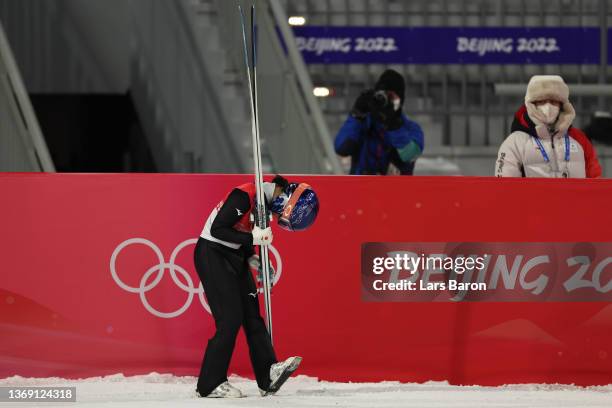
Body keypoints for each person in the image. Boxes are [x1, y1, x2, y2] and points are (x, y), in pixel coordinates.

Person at [194, 175, 319, 398]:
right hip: (213, 253)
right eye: (283, 213)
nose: (279, 216)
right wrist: (253, 237)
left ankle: (267, 374)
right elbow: (218, 229)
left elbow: (244, 234)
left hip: (236, 255)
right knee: (230, 319)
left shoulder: (264, 208)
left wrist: (255, 259)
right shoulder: (245, 195)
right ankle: (210, 384)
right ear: (285, 199)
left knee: (252, 317)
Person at [495, 75, 601, 178]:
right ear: (531, 104)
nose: (548, 106)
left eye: (554, 101)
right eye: (541, 101)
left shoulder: (579, 139)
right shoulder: (515, 142)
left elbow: (595, 181)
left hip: (575, 196)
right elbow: (505, 187)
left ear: (562, 105)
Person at [334, 69, 424, 175]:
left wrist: (393, 125)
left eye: (391, 97)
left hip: (396, 190)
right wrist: (356, 115)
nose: (386, 101)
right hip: (361, 188)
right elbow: (342, 149)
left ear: (401, 100)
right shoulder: (363, 124)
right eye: (382, 96)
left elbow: (410, 155)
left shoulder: (411, 129)